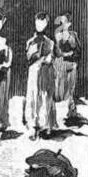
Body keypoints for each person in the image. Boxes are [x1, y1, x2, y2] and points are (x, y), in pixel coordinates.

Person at [24, 11, 57, 139]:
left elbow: (50, 58)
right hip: (33, 72)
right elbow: (28, 57)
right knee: (32, 96)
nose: (40, 25)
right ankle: (32, 125)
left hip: (45, 72)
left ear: (46, 24)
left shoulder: (50, 42)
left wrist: (44, 59)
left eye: (43, 22)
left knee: (45, 96)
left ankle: (45, 125)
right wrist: (36, 55)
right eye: (38, 22)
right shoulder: (30, 42)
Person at [52, 13, 83, 127]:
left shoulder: (73, 35)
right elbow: (57, 51)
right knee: (61, 88)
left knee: (72, 88)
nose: (62, 24)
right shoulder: (58, 35)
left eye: (65, 21)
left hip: (72, 64)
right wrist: (65, 54)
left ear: (69, 23)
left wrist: (71, 55)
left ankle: (72, 112)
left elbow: (78, 51)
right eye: (61, 21)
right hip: (61, 64)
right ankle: (59, 116)